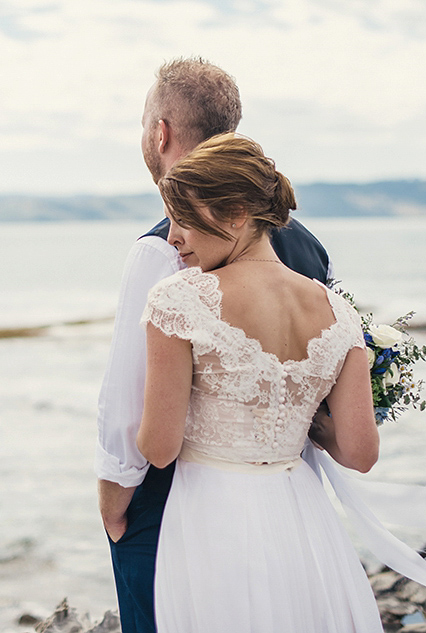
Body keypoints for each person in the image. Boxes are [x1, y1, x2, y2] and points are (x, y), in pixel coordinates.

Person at [95, 58, 333, 633]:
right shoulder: (308, 250)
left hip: (173, 501)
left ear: (161, 133)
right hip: (285, 498)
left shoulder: (160, 251)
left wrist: (113, 506)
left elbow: (129, 403)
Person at [137, 133, 383, 632]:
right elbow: (361, 452)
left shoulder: (178, 301)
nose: (173, 238)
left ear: (235, 215)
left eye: (184, 218)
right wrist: (293, 416)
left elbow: (158, 448)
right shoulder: (338, 312)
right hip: (303, 518)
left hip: (213, 514)